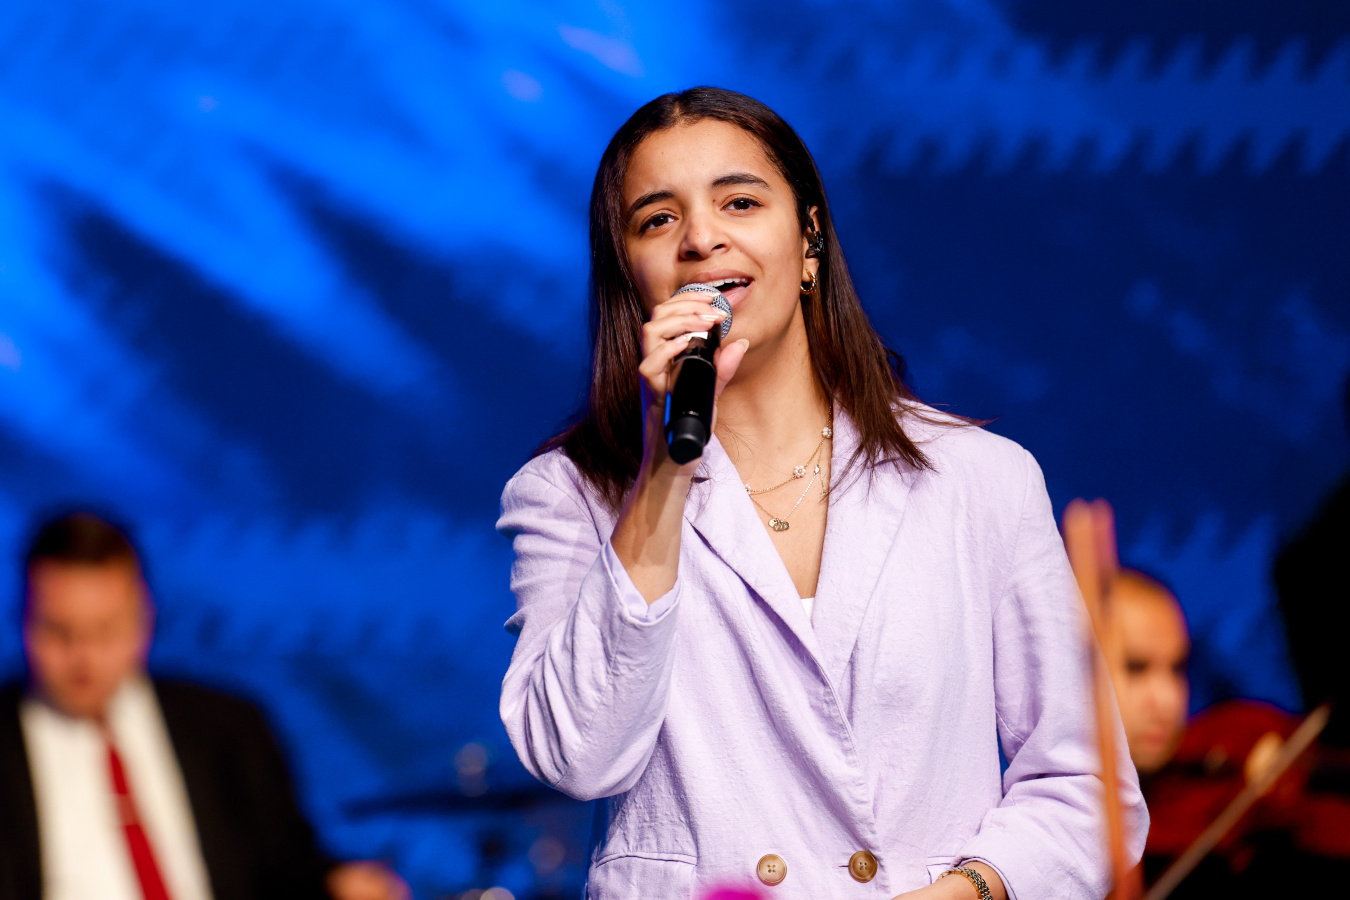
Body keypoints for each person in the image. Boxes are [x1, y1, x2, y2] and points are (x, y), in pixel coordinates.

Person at [497, 87, 1146, 900]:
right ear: (630, 274)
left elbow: (1087, 788)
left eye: (739, 202)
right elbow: (576, 754)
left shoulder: (979, 479)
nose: (701, 238)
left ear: (808, 241)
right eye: (658, 220)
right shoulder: (568, 495)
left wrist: (968, 891)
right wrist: (664, 469)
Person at [0, 511, 407, 900]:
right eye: (60, 632)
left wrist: (338, 886)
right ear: (22, 621)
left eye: (106, 631)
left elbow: (289, 867)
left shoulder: (228, 727)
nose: (84, 658)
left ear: (145, 618)